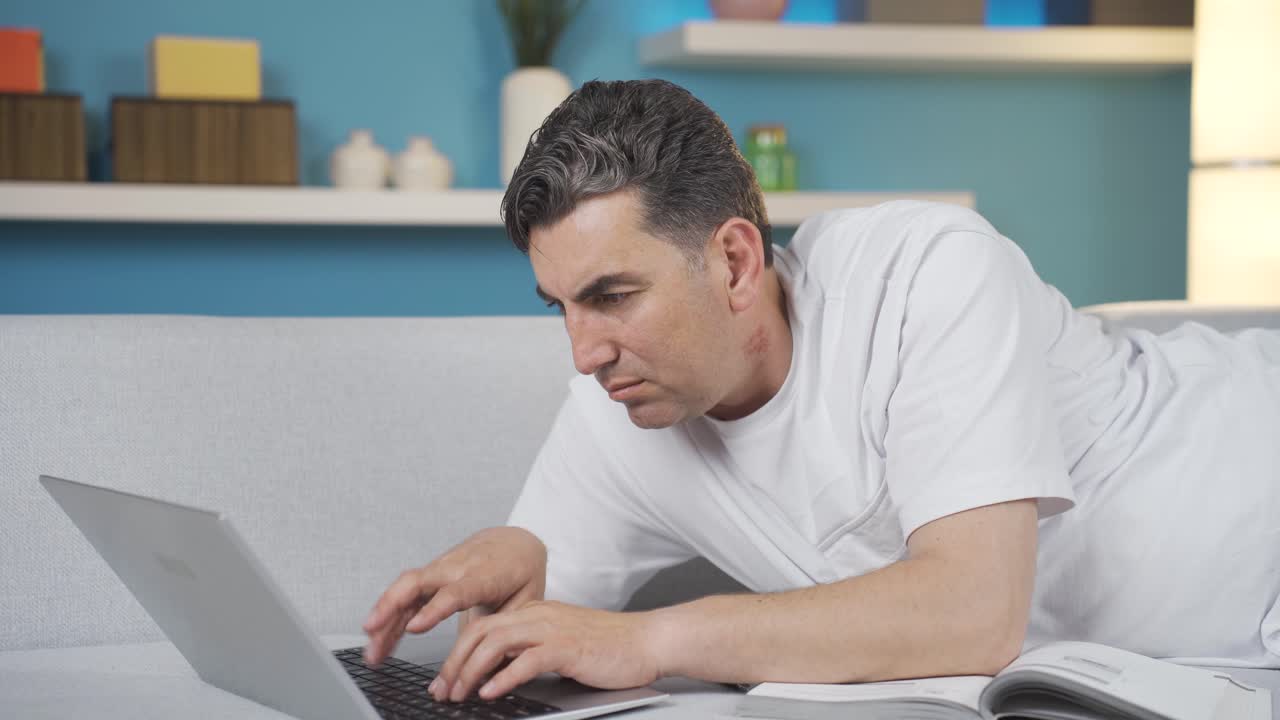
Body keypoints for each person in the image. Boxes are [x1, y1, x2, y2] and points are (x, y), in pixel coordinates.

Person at [362, 79, 1280, 704]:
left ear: (732, 259)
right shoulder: (626, 408)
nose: (582, 351)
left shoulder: (924, 270)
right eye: (560, 306)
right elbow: (550, 612)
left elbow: (973, 612)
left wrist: (651, 641)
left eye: (611, 296)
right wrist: (513, 568)